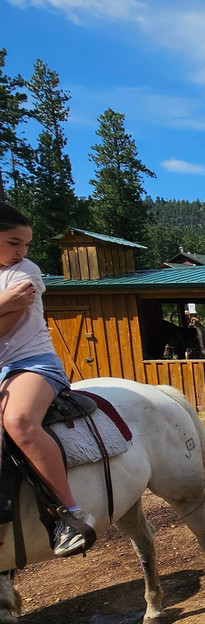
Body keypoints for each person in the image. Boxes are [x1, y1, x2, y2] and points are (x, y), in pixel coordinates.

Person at [0, 202, 95, 556]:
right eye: (13, 243)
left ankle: (70, 512)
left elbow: (4, 328)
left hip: (32, 364)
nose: (21, 251)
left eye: (24, 244)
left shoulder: (23, 273)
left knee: (19, 421)